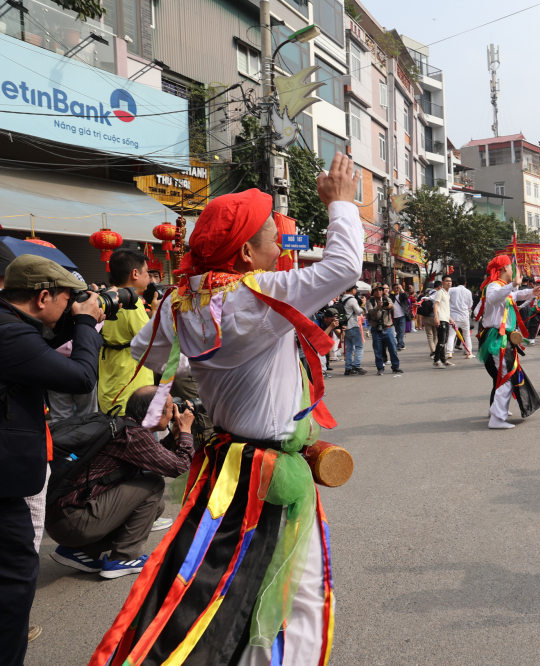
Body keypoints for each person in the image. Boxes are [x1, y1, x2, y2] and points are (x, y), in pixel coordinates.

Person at [90, 156, 362, 666]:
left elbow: (138, 348)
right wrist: (340, 204)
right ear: (246, 253)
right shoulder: (257, 299)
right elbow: (345, 267)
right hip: (266, 468)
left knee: (229, 586)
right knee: (291, 592)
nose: (280, 247)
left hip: (226, 463)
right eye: (271, 239)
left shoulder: (180, 301)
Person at [0, 255, 104, 666]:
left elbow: (37, 352)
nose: (72, 305)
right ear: (43, 296)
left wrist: (73, 319)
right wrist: (84, 324)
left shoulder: (11, 328)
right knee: (13, 582)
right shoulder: (9, 335)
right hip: (7, 483)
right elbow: (81, 378)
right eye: (67, 298)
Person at [47, 385, 195, 578]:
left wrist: (175, 435)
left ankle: (82, 551)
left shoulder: (124, 427)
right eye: (171, 407)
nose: (175, 410)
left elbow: (154, 460)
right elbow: (180, 467)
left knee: (154, 506)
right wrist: (186, 432)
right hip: (73, 523)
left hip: (62, 520)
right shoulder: (133, 436)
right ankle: (124, 557)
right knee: (153, 484)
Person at [475, 255, 540, 429]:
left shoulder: (500, 287)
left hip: (502, 337)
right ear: (506, 268)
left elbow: (513, 296)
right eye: (512, 266)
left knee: (505, 375)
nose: (515, 270)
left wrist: (531, 292)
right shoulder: (494, 286)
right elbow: (494, 298)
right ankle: (497, 418)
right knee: (507, 376)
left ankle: (497, 411)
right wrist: (513, 284)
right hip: (497, 338)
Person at [98, 248, 156, 412]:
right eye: (147, 272)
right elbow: (153, 343)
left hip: (111, 388)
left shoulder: (107, 297)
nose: (149, 278)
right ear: (135, 273)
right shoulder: (133, 302)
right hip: (131, 395)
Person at [366, 284, 402, 375]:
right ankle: (380, 368)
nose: (378, 291)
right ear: (373, 292)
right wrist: (377, 307)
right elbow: (371, 312)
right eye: (376, 290)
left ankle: (395, 367)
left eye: (380, 290)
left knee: (393, 349)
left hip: (388, 328)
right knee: (377, 350)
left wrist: (390, 306)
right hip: (376, 329)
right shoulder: (370, 302)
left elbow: (394, 307)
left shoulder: (387, 299)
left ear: (382, 291)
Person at [447, 274, 474, 359]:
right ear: (465, 283)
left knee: (451, 335)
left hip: (453, 317)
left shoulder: (451, 290)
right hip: (464, 317)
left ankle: (449, 352)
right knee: (467, 335)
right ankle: (468, 352)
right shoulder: (468, 292)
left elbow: (446, 300)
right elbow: (470, 305)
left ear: (456, 282)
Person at [342, 284, 366, 375]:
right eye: (355, 289)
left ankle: (348, 368)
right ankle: (357, 366)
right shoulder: (352, 299)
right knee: (359, 346)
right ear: (352, 290)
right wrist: (363, 304)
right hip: (353, 325)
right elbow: (358, 311)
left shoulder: (342, 299)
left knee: (349, 348)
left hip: (346, 326)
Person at [432, 276, 454, 367]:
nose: (449, 282)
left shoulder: (447, 293)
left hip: (446, 319)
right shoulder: (440, 292)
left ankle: (443, 360)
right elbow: (436, 305)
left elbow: (444, 308)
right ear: (443, 282)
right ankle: (436, 360)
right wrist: (436, 318)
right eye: (447, 281)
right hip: (440, 319)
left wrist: (450, 319)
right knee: (441, 341)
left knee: (444, 341)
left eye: (450, 281)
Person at [422, 281, 441, 355]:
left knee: (429, 335)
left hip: (426, 316)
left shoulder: (427, 293)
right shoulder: (437, 294)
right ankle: (435, 351)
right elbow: (435, 306)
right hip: (434, 316)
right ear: (439, 287)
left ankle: (432, 351)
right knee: (435, 335)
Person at [391, 283, 409, 349]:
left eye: (397, 288)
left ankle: (399, 344)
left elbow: (406, 296)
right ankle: (401, 343)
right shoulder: (391, 296)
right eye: (395, 288)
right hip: (395, 316)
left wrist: (402, 289)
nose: (396, 289)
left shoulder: (402, 295)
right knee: (397, 331)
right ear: (392, 289)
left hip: (402, 315)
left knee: (401, 330)